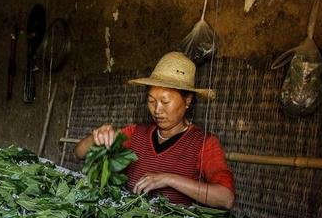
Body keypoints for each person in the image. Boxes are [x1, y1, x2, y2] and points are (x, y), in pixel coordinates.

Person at [74, 51, 235, 209]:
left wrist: (169, 179)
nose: (157, 110)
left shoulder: (204, 143)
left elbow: (225, 198)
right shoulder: (136, 133)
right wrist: (96, 138)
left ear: (187, 100)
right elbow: (79, 153)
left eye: (165, 102)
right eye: (151, 101)